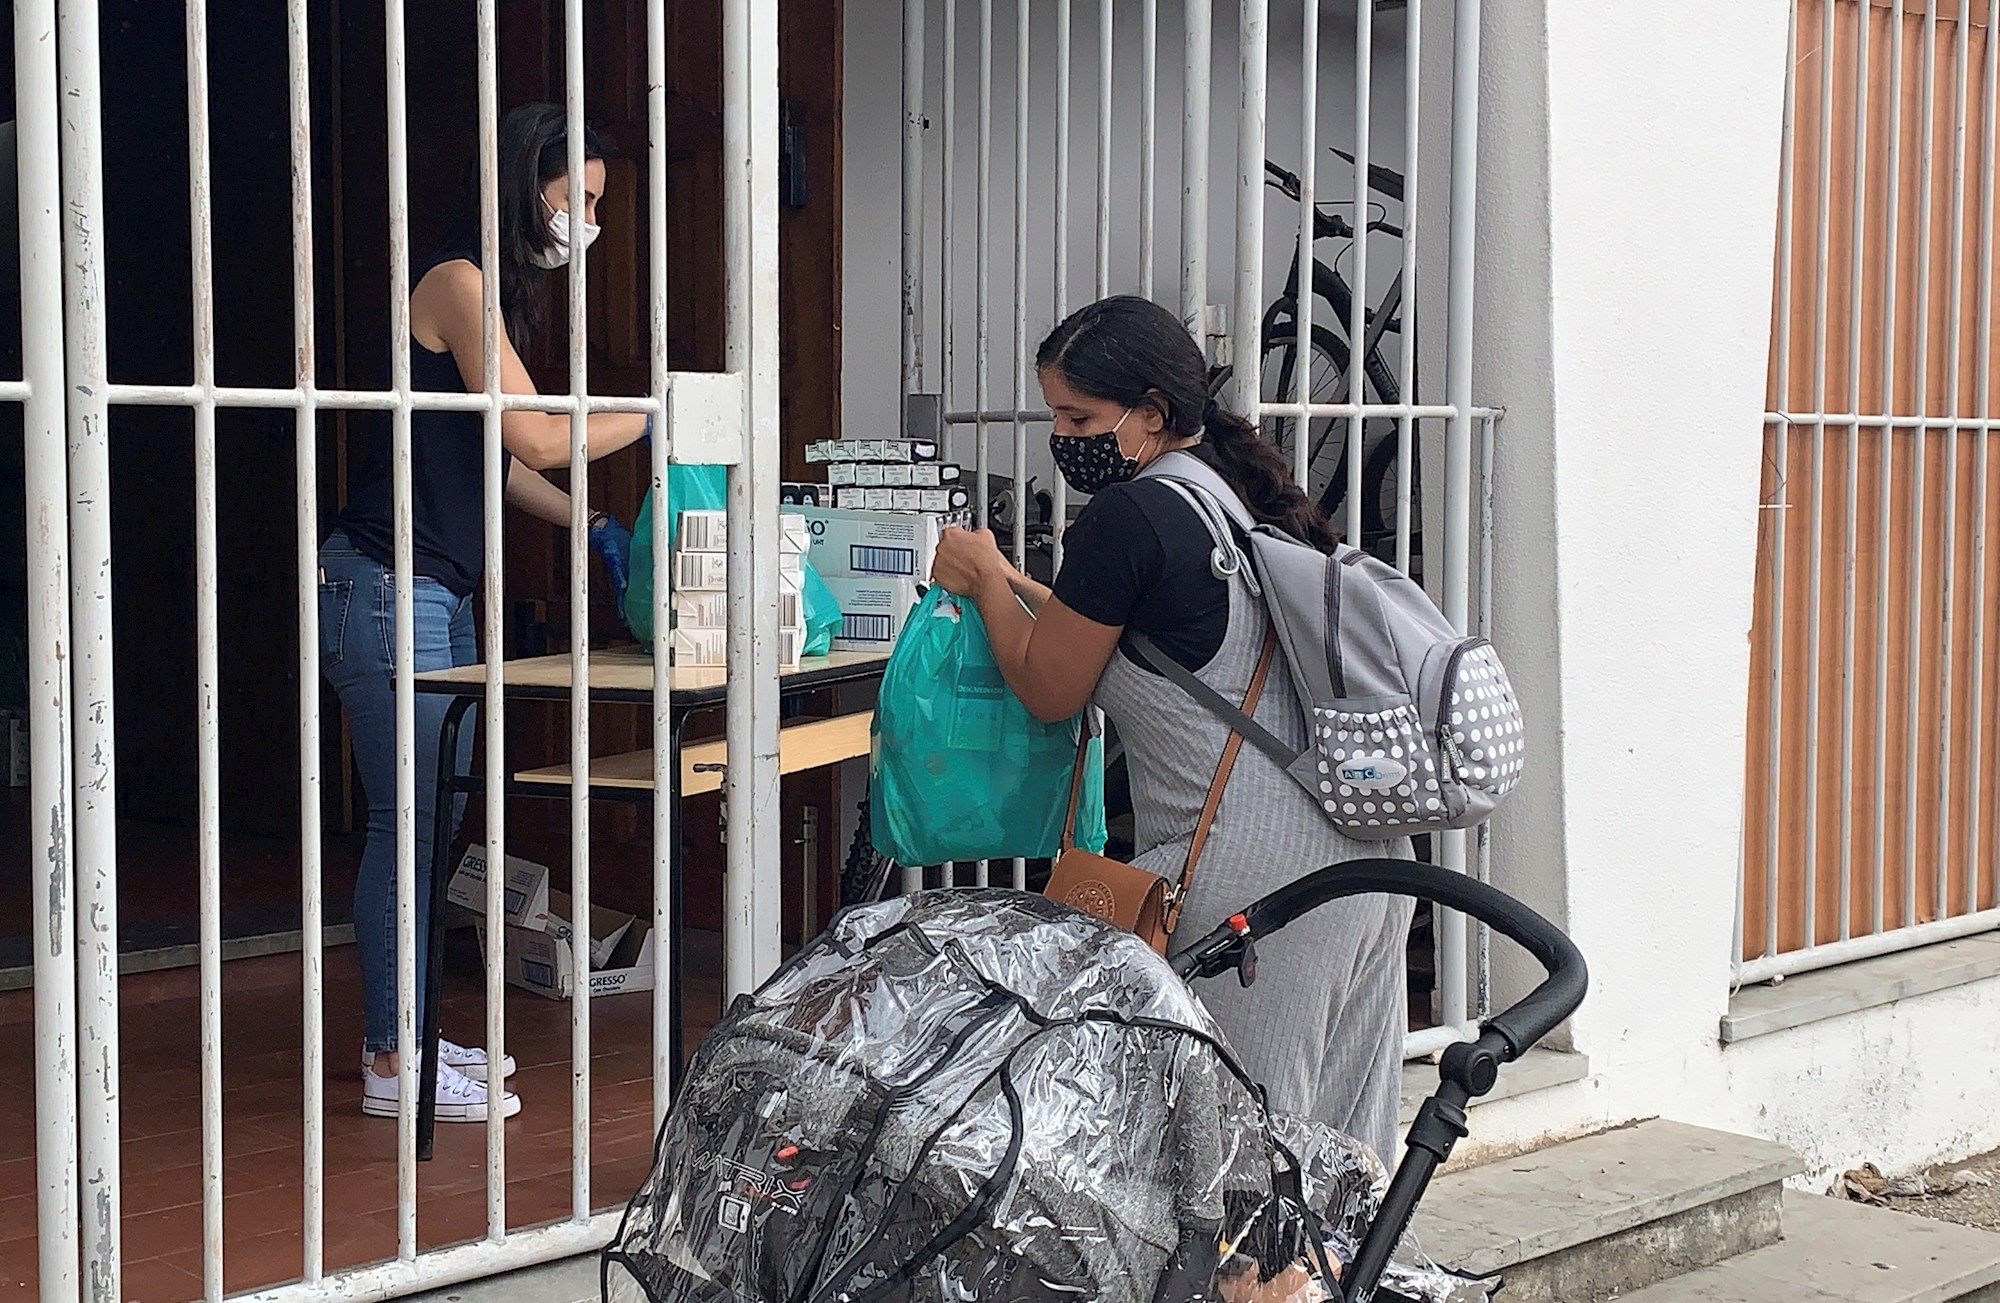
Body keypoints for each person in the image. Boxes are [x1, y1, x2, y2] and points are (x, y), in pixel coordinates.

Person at [928, 295, 1413, 1162]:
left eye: (1077, 416)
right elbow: (1142, 650)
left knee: (1242, 1159)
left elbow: (1050, 685)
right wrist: (1014, 583)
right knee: (1338, 1155)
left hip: (1260, 881)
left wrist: (982, 579)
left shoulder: (1128, 518)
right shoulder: (1225, 498)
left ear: (1150, 415)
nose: (1061, 434)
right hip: (1364, 859)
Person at [320, 102, 648, 1122]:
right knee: (406, 821)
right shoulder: (459, 283)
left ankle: (410, 1032)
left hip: (439, 586)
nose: (586, 220)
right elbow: (541, 436)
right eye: (578, 196)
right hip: (386, 581)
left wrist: (588, 520)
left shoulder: (493, 298)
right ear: (528, 179)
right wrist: (667, 412)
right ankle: (390, 1062)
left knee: (438, 818)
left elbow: (505, 464)